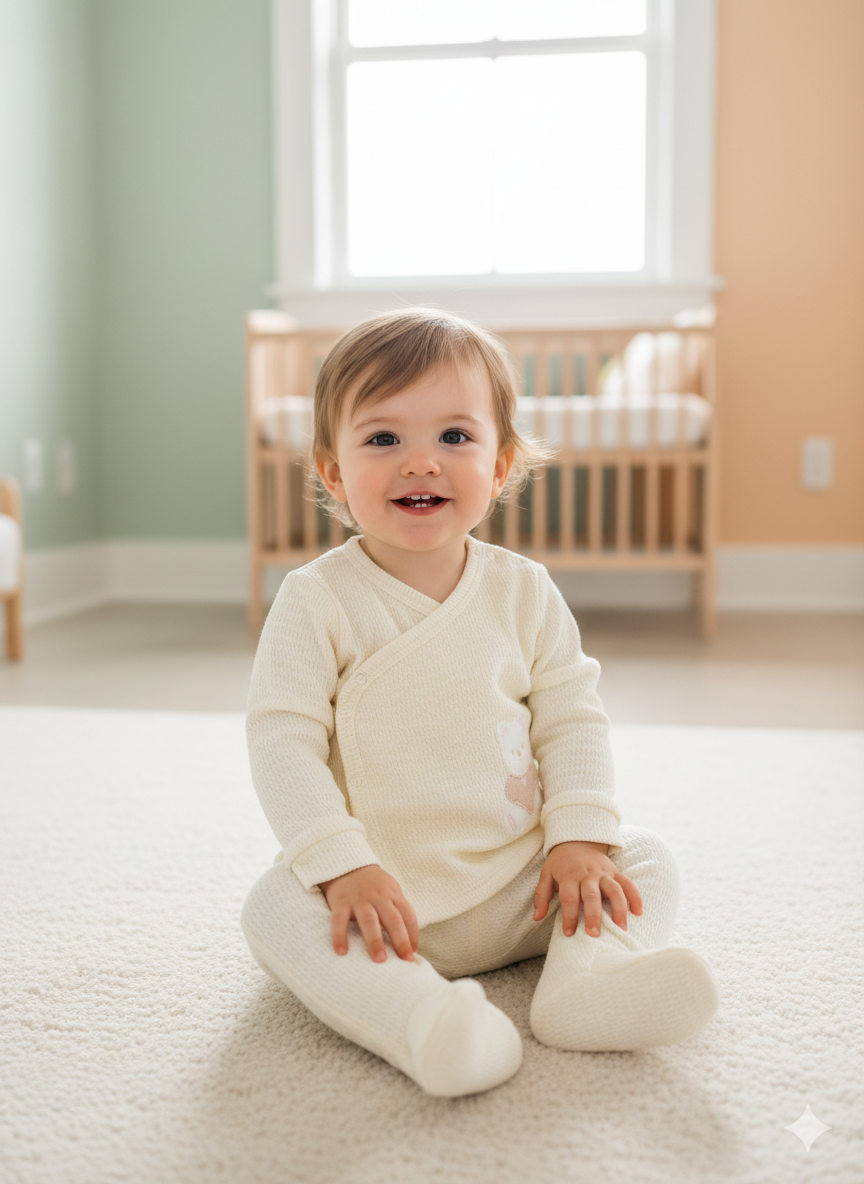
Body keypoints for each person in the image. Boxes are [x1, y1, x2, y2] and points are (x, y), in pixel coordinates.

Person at [241, 308, 719, 1097]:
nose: (420, 462)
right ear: (333, 472)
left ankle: (584, 984)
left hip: (519, 889)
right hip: (383, 900)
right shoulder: (315, 600)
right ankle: (423, 1019)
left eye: (455, 439)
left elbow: (572, 717)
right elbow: (280, 744)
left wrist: (577, 839)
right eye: (384, 439)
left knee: (642, 857)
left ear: (500, 468)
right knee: (272, 906)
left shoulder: (523, 590)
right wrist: (341, 865)